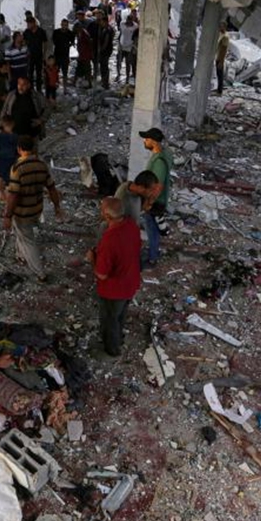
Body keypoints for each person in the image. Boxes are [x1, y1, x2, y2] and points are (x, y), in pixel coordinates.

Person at [85, 197, 141, 359]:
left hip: (113, 290)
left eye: (101, 210)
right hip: (131, 282)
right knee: (120, 315)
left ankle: (112, 349)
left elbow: (101, 274)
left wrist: (92, 258)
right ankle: (119, 336)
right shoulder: (131, 225)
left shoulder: (109, 241)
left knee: (109, 320)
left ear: (108, 216)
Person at [3, 136, 63, 282]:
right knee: (22, 235)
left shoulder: (17, 168)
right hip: (36, 209)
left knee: (28, 240)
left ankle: (40, 272)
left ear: (19, 149)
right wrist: (57, 207)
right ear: (34, 148)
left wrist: (7, 215)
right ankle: (21, 255)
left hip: (22, 212)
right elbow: (52, 188)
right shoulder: (42, 165)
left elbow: (13, 196)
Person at [140, 128, 174, 266]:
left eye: (147, 139)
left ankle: (152, 258)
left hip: (156, 202)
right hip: (159, 200)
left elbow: (157, 186)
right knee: (154, 228)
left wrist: (148, 203)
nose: (144, 141)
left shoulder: (159, 162)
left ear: (153, 142)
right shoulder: (165, 153)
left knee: (152, 229)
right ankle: (154, 251)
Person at [0, 116, 18, 200]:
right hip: (7, 160)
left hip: (4, 160)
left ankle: (3, 194)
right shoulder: (13, 136)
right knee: (6, 178)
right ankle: (6, 194)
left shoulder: (1, 136)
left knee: (2, 177)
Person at [23, 16, 48, 90]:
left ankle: (39, 90)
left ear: (34, 23)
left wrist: (44, 54)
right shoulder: (26, 32)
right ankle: (31, 89)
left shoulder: (41, 31)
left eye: (29, 23)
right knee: (30, 73)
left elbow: (45, 43)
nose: (28, 25)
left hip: (39, 55)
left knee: (39, 74)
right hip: (29, 56)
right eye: (27, 23)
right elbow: (24, 42)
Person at [52, 19, 75, 90]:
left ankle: (65, 87)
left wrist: (68, 45)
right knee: (55, 71)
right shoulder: (56, 32)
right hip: (57, 54)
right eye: (63, 24)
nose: (64, 26)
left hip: (65, 55)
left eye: (66, 25)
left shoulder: (70, 33)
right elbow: (53, 41)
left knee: (65, 73)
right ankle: (55, 85)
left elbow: (72, 42)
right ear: (61, 25)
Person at [117, 10, 139, 83]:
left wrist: (134, 47)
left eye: (130, 21)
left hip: (129, 46)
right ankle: (118, 74)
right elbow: (121, 33)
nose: (128, 22)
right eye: (127, 20)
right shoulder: (122, 24)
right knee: (119, 61)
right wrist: (119, 43)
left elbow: (136, 37)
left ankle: (127, 77)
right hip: (121, 45)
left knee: (128, 63)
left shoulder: (135, 26)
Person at [75, 12, 95, 89]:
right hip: (82, 53)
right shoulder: (79, 33)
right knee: (79, 68)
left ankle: (89, 84)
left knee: (87, 69)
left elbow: (90, 43)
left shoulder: (85, 33)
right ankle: (80, 82)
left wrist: (90, 53)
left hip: (86, 54)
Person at [96, 13, 115, 89]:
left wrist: (101, 50)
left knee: (104, 67)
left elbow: (106, 42)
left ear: (106, 22)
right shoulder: (104, 29)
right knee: (103, 67)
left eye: (102, 22)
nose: (101, 23)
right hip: (106, 50)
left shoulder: (108, 30)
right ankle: (104, 81)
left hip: (105, 51)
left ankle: (105, 83)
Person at [215, 23, 230, 94]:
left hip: (220, 58)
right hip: (217, 57)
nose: (220, 27)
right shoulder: (221, 34)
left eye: (221, 26)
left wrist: (221, 61)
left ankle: (219, 91)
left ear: (225, 27)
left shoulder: (225, 37)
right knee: (218, 74)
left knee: (220, 75)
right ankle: (218, 90)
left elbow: (224, 50)